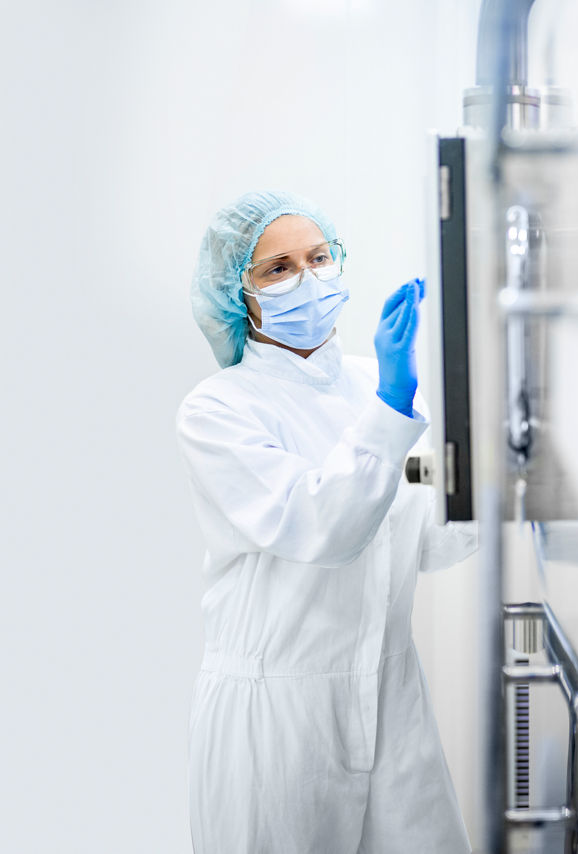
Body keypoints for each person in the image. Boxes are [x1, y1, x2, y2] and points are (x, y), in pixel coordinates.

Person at [178, 190, 473, 853]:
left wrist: (498, 470)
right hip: (279, 718)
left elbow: (428, 543)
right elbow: (325, 527)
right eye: (278, 269)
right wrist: (393, 405)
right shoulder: (218, 411)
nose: (307, 279)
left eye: (318, 257)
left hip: (393, 699)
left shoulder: (380, 386)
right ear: (239, 295)